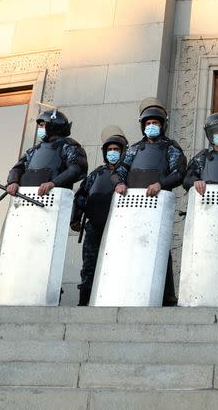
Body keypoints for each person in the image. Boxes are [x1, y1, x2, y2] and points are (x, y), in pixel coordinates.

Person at [114, 98, 186, 306]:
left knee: (159, 250)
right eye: (148, 124)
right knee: (131, 247)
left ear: (162, 125)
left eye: (155, 123)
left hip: (157, 206)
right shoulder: (134, 149)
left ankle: (167, 297)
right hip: (131, 207)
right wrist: (119, 183)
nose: (151, 127)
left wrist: (161, 184)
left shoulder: (170, 148)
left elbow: (179, 172)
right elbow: (119, 170)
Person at [70, 127, 128, 306]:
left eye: (116, 150)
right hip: (95, 227)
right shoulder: (97, 173)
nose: (112, 153)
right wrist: (76, 218)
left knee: (117, 265)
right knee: (89, 266)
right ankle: (84, 302)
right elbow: (81, 195)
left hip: (120, 229)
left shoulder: (129, 173)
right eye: (109, 150)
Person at [5, 107, 87, 196]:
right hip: (24, 201)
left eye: (42, 125)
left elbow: (75, 169)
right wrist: (13, 182)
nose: (39, 128)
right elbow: (17, 168)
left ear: (52, 126)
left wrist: (53, 183)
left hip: (54, 201)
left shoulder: (68, 146)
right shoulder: (33, 150)